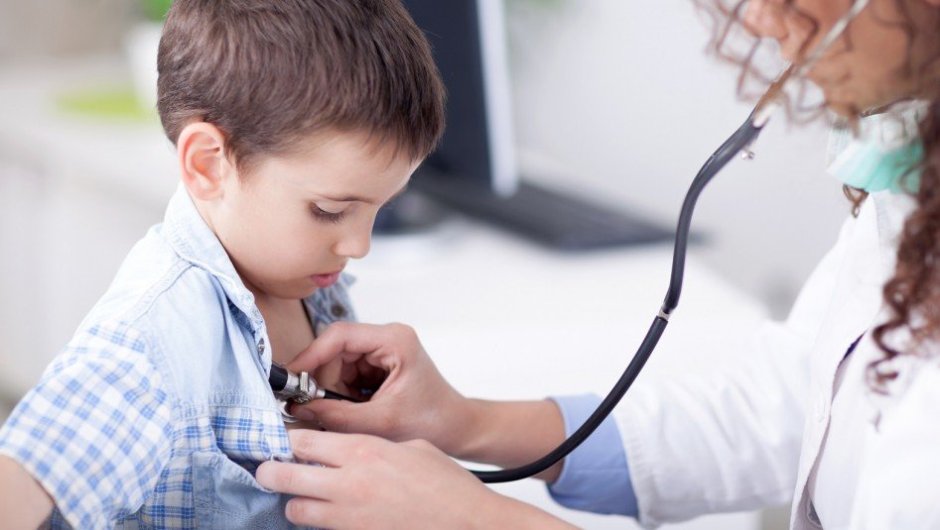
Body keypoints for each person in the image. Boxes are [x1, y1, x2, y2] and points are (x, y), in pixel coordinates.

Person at [255, 0, 940, 528]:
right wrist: (465, 422)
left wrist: (476, 519)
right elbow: (784, 412)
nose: (761, 18)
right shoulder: (909, 206)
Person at [0, 0, 444, 528]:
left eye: (380, 208)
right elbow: (24, 475)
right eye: (330, 210)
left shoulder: (299, 277)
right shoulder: (154, 338)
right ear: (208, 164)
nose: (359, 245)